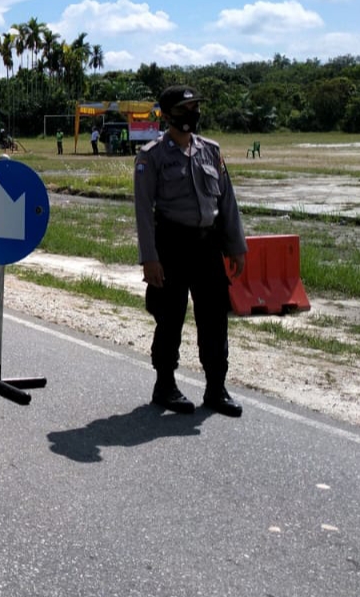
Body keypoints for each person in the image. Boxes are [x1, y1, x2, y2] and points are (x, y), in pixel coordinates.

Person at [134, 85, 247, 418]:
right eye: (185, 109)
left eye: (195, 107)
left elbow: (226, 202)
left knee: (214, 318)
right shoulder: (151, 156)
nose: (192, 114)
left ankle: (215, 388)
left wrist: (236, 247)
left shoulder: (211, 151)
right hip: (171, 244)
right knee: (170, 317)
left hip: (207, 245)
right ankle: (165, 384)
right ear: (168, 115)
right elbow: (143, 210)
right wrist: (150, 258)